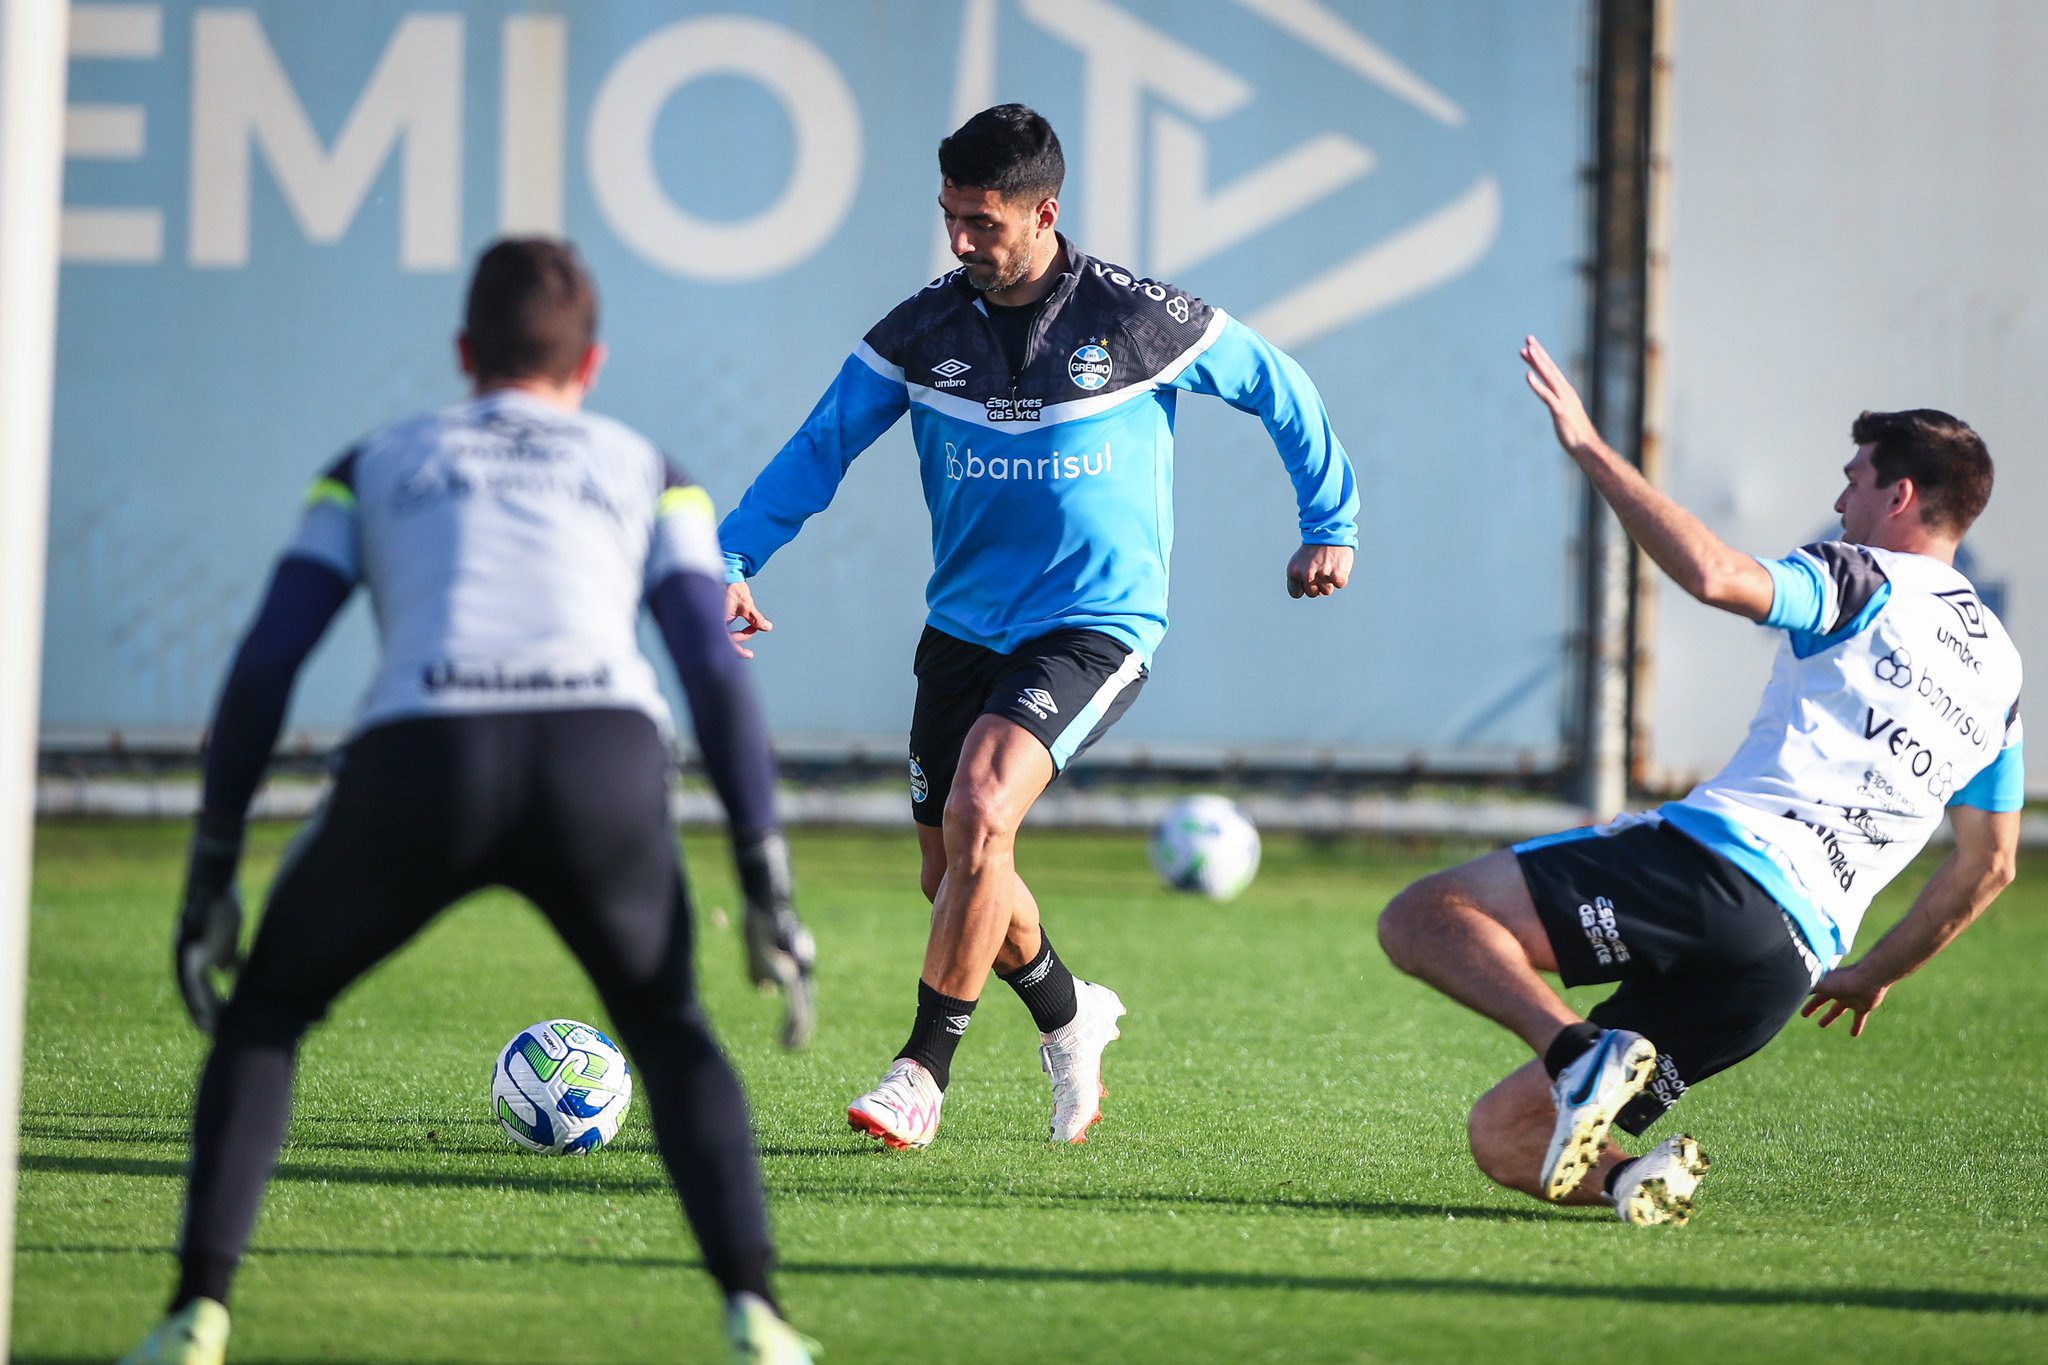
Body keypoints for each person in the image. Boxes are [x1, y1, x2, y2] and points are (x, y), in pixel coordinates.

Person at [121, 239, 818, 1364]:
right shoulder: (651, 467)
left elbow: (264, 663)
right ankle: (758, 1316)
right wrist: (763, 869)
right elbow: (708, 662)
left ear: (461, 352)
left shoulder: (371, 462)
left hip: (420, 762)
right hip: (598, 760)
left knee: (262, 1020)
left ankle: (195, 1316)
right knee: (673, 1034)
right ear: (590, 363)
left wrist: (212, 865)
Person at [717, 104, 1359, 1150]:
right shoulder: (922, 331)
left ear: (1041, 211)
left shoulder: (1137, 319)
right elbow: (817, 448)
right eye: (949, 219)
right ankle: (1069, 1016)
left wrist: (1328, 522)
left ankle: (920, 1072)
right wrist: (733, 557)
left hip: (1093, 627)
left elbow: (1278, 388)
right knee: (954, 869)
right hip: (963, 630)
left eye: (980, 222)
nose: (961, 242)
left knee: (981, 803)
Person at [1377, 336, 2023, 1225]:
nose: (1840, 499)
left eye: (1855, 478)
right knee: (1508, 1133)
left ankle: (1575, 1053)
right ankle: (1631, 1177)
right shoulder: (2002, 672)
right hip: (1785, 967)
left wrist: (1590, 451)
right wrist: (1873, 972)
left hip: (1719, 873)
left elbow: (1718, 575)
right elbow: (1990, 865)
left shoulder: (1864, 578)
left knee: (1422, 917)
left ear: (1900, 494)